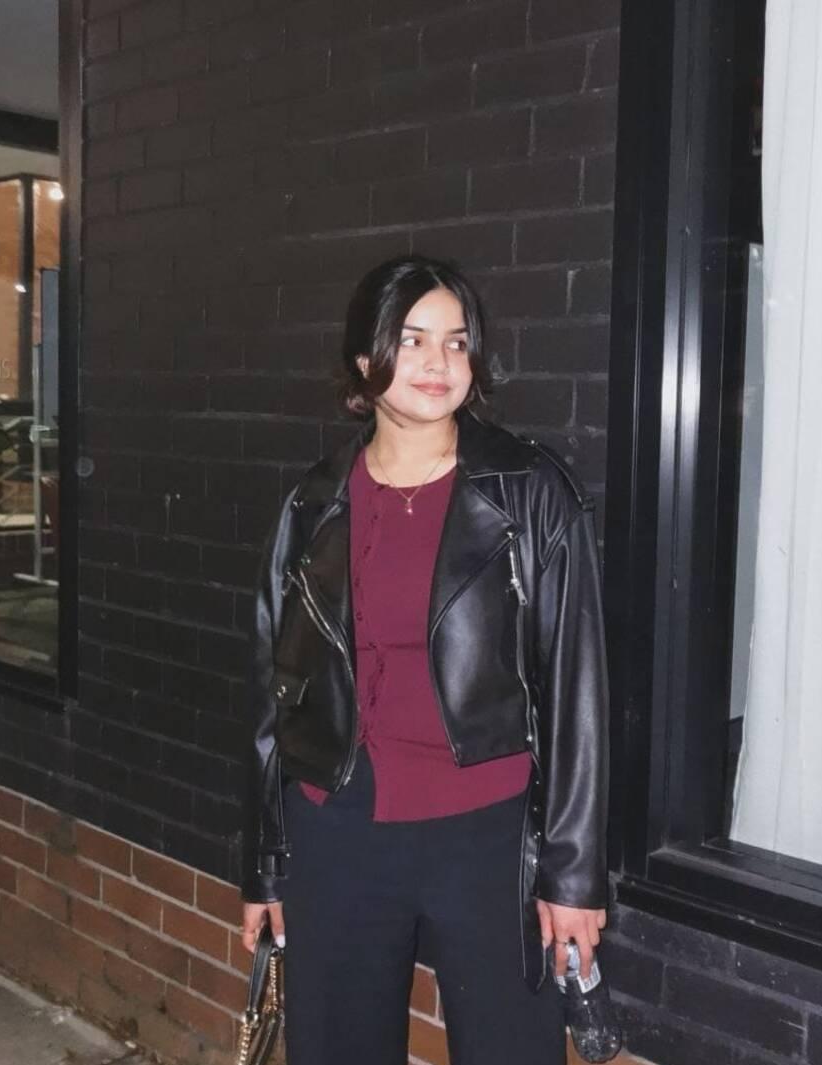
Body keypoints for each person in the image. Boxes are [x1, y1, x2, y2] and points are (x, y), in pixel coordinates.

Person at [239, 255, 609, 1065]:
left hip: (487, 834)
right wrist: (265, 866)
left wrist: (573, 875)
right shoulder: (313, 504)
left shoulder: (528, 491)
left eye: (456, 341)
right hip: (337, 827)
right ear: (364, 357)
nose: (438, 362)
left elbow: (576, 687)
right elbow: (275, 693)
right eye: (411, 340)